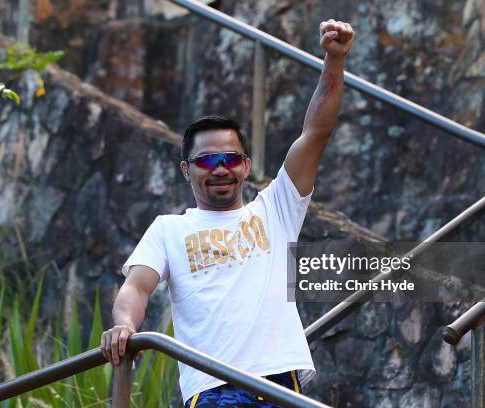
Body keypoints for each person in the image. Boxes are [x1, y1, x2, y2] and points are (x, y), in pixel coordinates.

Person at [101, 19, 354, 407]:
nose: (220, 168)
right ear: (187, 170)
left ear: (246, 166)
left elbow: (315, 133)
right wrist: (124, 327)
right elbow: (136, 287)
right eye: (206, 161)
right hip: (213, 388)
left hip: (279, 382)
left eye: (230, 158)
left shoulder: (275, 209)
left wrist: (334, 61)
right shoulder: (169, 229)